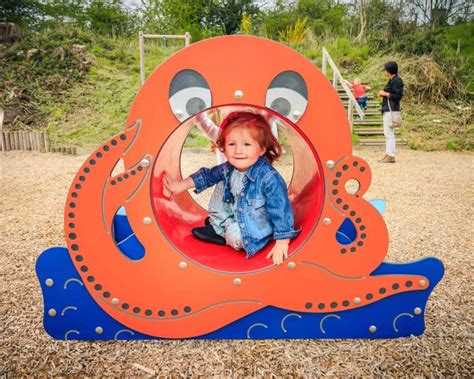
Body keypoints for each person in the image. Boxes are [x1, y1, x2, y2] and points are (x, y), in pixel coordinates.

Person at [163, 111, 300, 265]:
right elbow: (207, 176)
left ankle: (223, 230)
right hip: (237, 213)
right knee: (220, 178)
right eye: (231, 144)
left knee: (237, 237)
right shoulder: (229, 167)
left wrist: (282, 241)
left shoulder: (269, 178)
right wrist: (180, 185)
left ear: (261, 149)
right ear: (223, 147)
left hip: (254, 228)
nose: (238, 151)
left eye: (247, 144)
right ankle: (219, 226)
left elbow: (280, 209)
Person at [378, 61, 404, 163]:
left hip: (391, 110)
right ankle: (389, 154)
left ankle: (391, 156)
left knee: (389, 134)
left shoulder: (397, 80)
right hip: (388, 109)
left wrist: (385, 93)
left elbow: (398, 96)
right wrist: (384, 94)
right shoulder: (392, 80)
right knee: (388, 133)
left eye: (385, 69)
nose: (384, 71)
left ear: (389, 70)